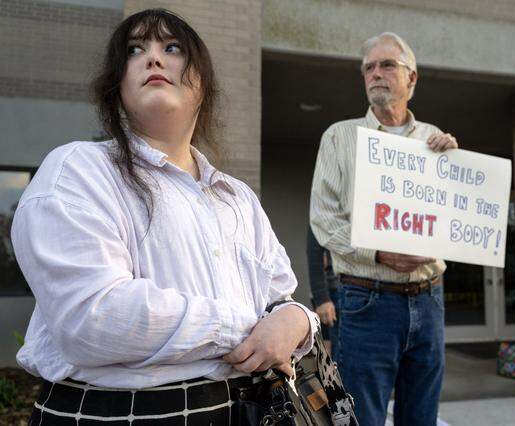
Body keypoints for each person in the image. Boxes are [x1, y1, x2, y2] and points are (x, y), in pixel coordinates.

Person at [11, 9, 316, 425]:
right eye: (135, 50)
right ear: (116, 86)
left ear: (203, 83)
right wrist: (246, 328)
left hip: (245, 408)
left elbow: (279, 295)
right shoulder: (77, 169)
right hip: (118, 412)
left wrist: (299, 318)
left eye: (171, 48)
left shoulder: (237, 197)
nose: (153, 59)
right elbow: (93, 317)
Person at [309, 32, 458, 426]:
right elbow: (323, 219)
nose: (376, 73)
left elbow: (454, 213)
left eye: (387, 65)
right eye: (369, 67)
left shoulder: (434, 140)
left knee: (422, 417)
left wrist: (458, 170)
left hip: (430, 299)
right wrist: (377, 254)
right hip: (366, 300)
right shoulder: (339, 138)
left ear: (412, 79)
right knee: (362, 418)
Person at [306, 226, 339, 353]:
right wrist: (321, 298)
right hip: (331, 292)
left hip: (359, 290)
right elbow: (314, 251)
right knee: (327, 353)